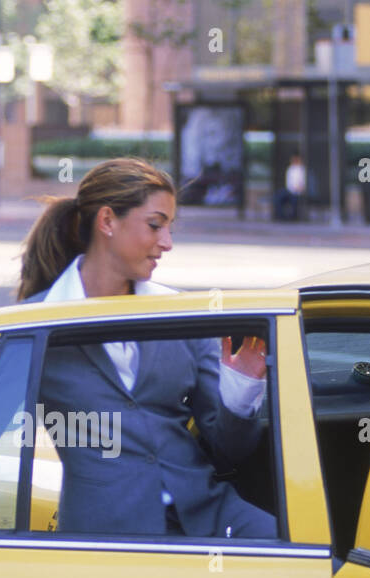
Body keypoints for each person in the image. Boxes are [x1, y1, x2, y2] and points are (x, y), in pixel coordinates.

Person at [16, 157, 275, 538]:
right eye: (155, 225)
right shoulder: (36, 324)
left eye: (168, 228)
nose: (167, 243)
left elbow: (227, 448)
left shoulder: (181, 314)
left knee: (315, 564)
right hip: (106, 535)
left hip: (210, 516)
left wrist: (242, 391)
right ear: (107, 221)